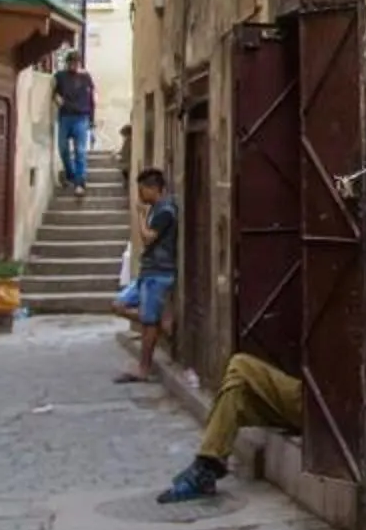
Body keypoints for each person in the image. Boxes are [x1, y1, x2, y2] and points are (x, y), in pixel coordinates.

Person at [158, 353, 303, 504]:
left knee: (240, 364)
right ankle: (205, 467)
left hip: (315, 403)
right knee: (235, 392)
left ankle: (207, 465)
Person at [115, 167, 177, 382]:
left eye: (142, 190)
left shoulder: (165, 211)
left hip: (158, 273)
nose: (140, 195)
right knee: (119, 304)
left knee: (148, 321)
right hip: (147, 271)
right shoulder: (156, 208)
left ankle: (144, 367)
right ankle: (156, 323)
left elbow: (148, 238)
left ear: (153, 189)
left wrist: (140, 216)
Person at [51, 52, 97, 193]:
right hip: (65, 116)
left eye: (77, 62)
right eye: (72, 62)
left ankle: (80, 182)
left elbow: (92, 99)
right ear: (67, 63)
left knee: (80, 151)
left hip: (81, 117)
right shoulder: (60, 76)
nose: (74, 65)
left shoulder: (86, 77)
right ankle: (71, 174)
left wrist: (92, 119)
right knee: (63, 148)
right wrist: (57, 99)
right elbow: (54, 93)